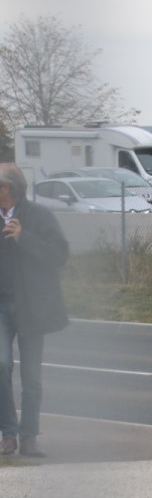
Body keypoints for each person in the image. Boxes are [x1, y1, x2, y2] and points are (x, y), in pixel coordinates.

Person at [0, 164, 69, 457]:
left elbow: (59, 255)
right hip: (1, 306)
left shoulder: (40, 217)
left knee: (31, 377)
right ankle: (8, 435)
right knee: (1, 365)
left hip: (32, 307)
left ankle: (29, 438)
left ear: (8, 189)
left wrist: (23, 238)